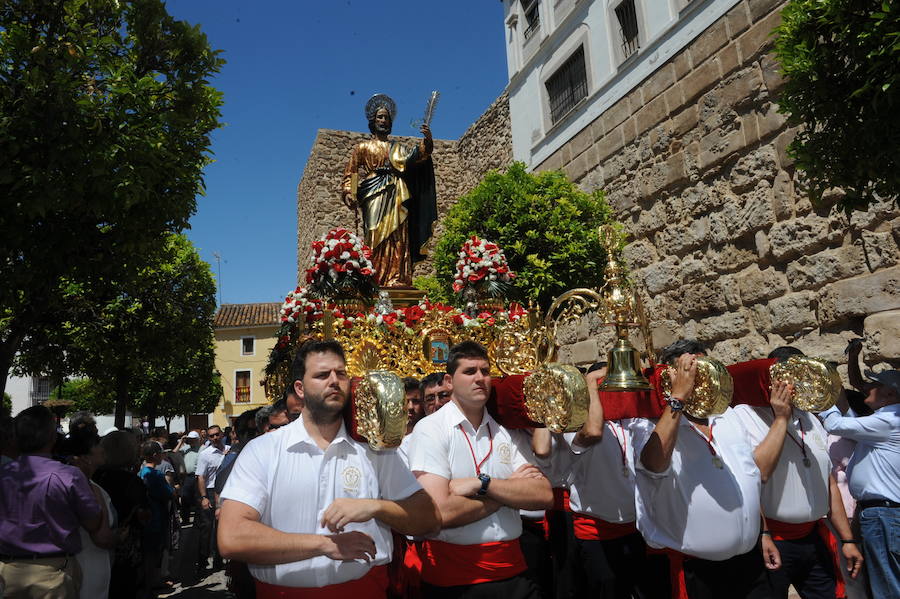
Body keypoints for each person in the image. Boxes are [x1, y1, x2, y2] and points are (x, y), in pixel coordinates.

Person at [218, 339, 440, 597]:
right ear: (300, 388)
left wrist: (376, 507)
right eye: (322, 375)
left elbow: (429, 519)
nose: (334, 381)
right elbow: (231, 537)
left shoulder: (375, 450)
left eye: (341, 373)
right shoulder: (263, 450)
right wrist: (324, 545)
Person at [408, 340, 553, 598]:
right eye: (470, 371)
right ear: (449, 380)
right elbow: (438, 512)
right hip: (456, 579)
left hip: (515, 571)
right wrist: (506, 496)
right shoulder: (431, 429)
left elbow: (543, 495)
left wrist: (482, 484)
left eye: (485, 371)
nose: (480, 378)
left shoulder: (504, 430)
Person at [632, 344, 769, 599]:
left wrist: (764, 532)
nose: (706, 382)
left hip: (750, 564)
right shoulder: (647, 425)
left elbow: (748, 477)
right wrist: (678, 398)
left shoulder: (727, 416)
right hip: (695, 571)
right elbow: (654, 463)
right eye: (695, 374)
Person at [733, 347, 863, 598]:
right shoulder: (744, 415)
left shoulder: (810, 417)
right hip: (774, 540)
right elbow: (756, 475)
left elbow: (829, 482)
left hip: (813, 537)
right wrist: (781, 418)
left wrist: (847, 540)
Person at [543, 362, 669, 599]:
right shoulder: (576, 420)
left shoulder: (636, 421)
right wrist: (590, 383)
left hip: (639, 528)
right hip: (597, 531)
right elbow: (592, 433)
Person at [0, 405, 102, 598]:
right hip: (51, 575)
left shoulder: (4, 473)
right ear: (52, 438)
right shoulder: (69, 475)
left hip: (7, 572)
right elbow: (93, 522)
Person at [341, 93, 437, 287]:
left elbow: (416, 157)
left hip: (396, 191)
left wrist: (426, 142)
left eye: (386, 118)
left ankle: (397, 278)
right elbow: (350, 173)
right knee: (374, 234)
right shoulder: (362, 147)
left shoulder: (397, 148)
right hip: (372, 192)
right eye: (380, 117)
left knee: (398, 234)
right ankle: (374, 277)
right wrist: (349, 192)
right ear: (372, 121)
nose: (384, 120)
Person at [819, 369, 900, 598]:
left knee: (887, 585)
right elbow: (854, 424)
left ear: (890, 394)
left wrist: (824, 394)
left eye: (873, 385)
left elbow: (835, 424)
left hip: (884, 514)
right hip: (882, 513)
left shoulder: (888, 420)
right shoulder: (884, 421)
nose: (865, 387)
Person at [94, 430, 150, 599]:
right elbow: (144, 516)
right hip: (124, 548)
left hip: (95, 545)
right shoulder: (132, 481)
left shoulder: (95, 477)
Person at [66, 429, 116, 599]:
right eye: (97, 445)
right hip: (86, 569)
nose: (102, 449)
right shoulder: (85, 487)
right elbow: (102, 537)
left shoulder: (87, 484)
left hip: (93, 566)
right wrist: (118, 538)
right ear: (85, 457)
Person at [139, 441, 176, 593]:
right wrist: (174, 491)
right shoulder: (155, 475)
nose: (163, 455)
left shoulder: (141, 472)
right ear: (155, 455)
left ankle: (150, 582)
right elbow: (169, 493)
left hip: (148, 517)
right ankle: (151, 583)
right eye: (161, 453)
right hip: (156, 518)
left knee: (149, 553)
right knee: (153, 553)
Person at [196, 424, 228, 571]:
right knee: (207, 527)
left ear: (221, 434)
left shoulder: (229, 451)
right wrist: (204, 497)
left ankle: (218, 559)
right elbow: (201, 477)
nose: (215, 438)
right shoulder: (205, 454)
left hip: (227, 493)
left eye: (217, 434)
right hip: (210, 491)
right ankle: (202, 560)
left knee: (221, 528)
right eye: (211, 436)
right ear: (208, 437)